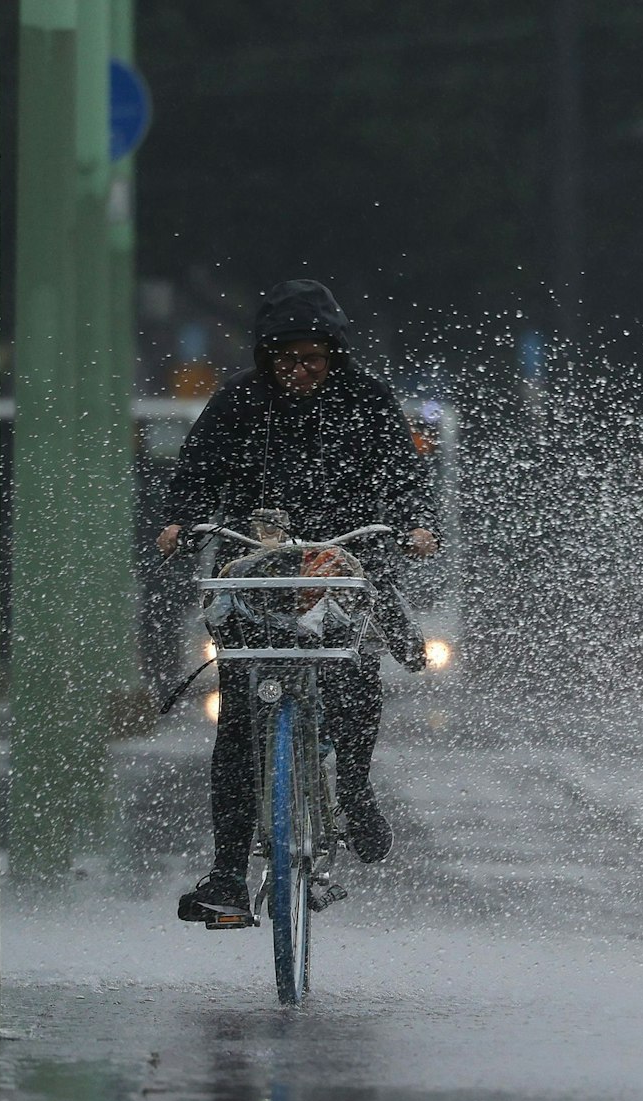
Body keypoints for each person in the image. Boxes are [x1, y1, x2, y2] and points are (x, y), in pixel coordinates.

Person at [160, 279, 439, 924]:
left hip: (346, 560)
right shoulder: (236, 403)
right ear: (266, 357)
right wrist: (180, 520)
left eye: (314, 358)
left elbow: (404, 477)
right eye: (288, 359)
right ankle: (228, 872)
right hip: (254, 565)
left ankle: (356, 788)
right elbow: (196, 472)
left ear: (334, 354)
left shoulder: (368, 401)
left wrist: (417, 524)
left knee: (353, 668)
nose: (301, 370)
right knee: (236, 724)